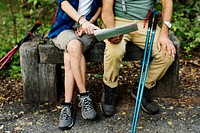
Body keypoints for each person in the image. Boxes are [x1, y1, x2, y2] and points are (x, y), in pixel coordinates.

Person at [100, 0, 176, 117]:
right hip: (117, 21)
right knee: (114, 52)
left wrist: (164, 34)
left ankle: (142, 87)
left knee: (166, 54)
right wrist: (111, 30)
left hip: (145, 23)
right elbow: (106, 9)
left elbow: (167, 3)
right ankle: (109, 88)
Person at [48, 0, 102, 130]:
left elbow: (100, 6)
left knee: (69, 56)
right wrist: (81, 21)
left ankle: (67, 105)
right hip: (63, 28)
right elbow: (64, 4)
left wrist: (90, 23)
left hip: (87, 31)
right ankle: (84, 95)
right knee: (74, 46)